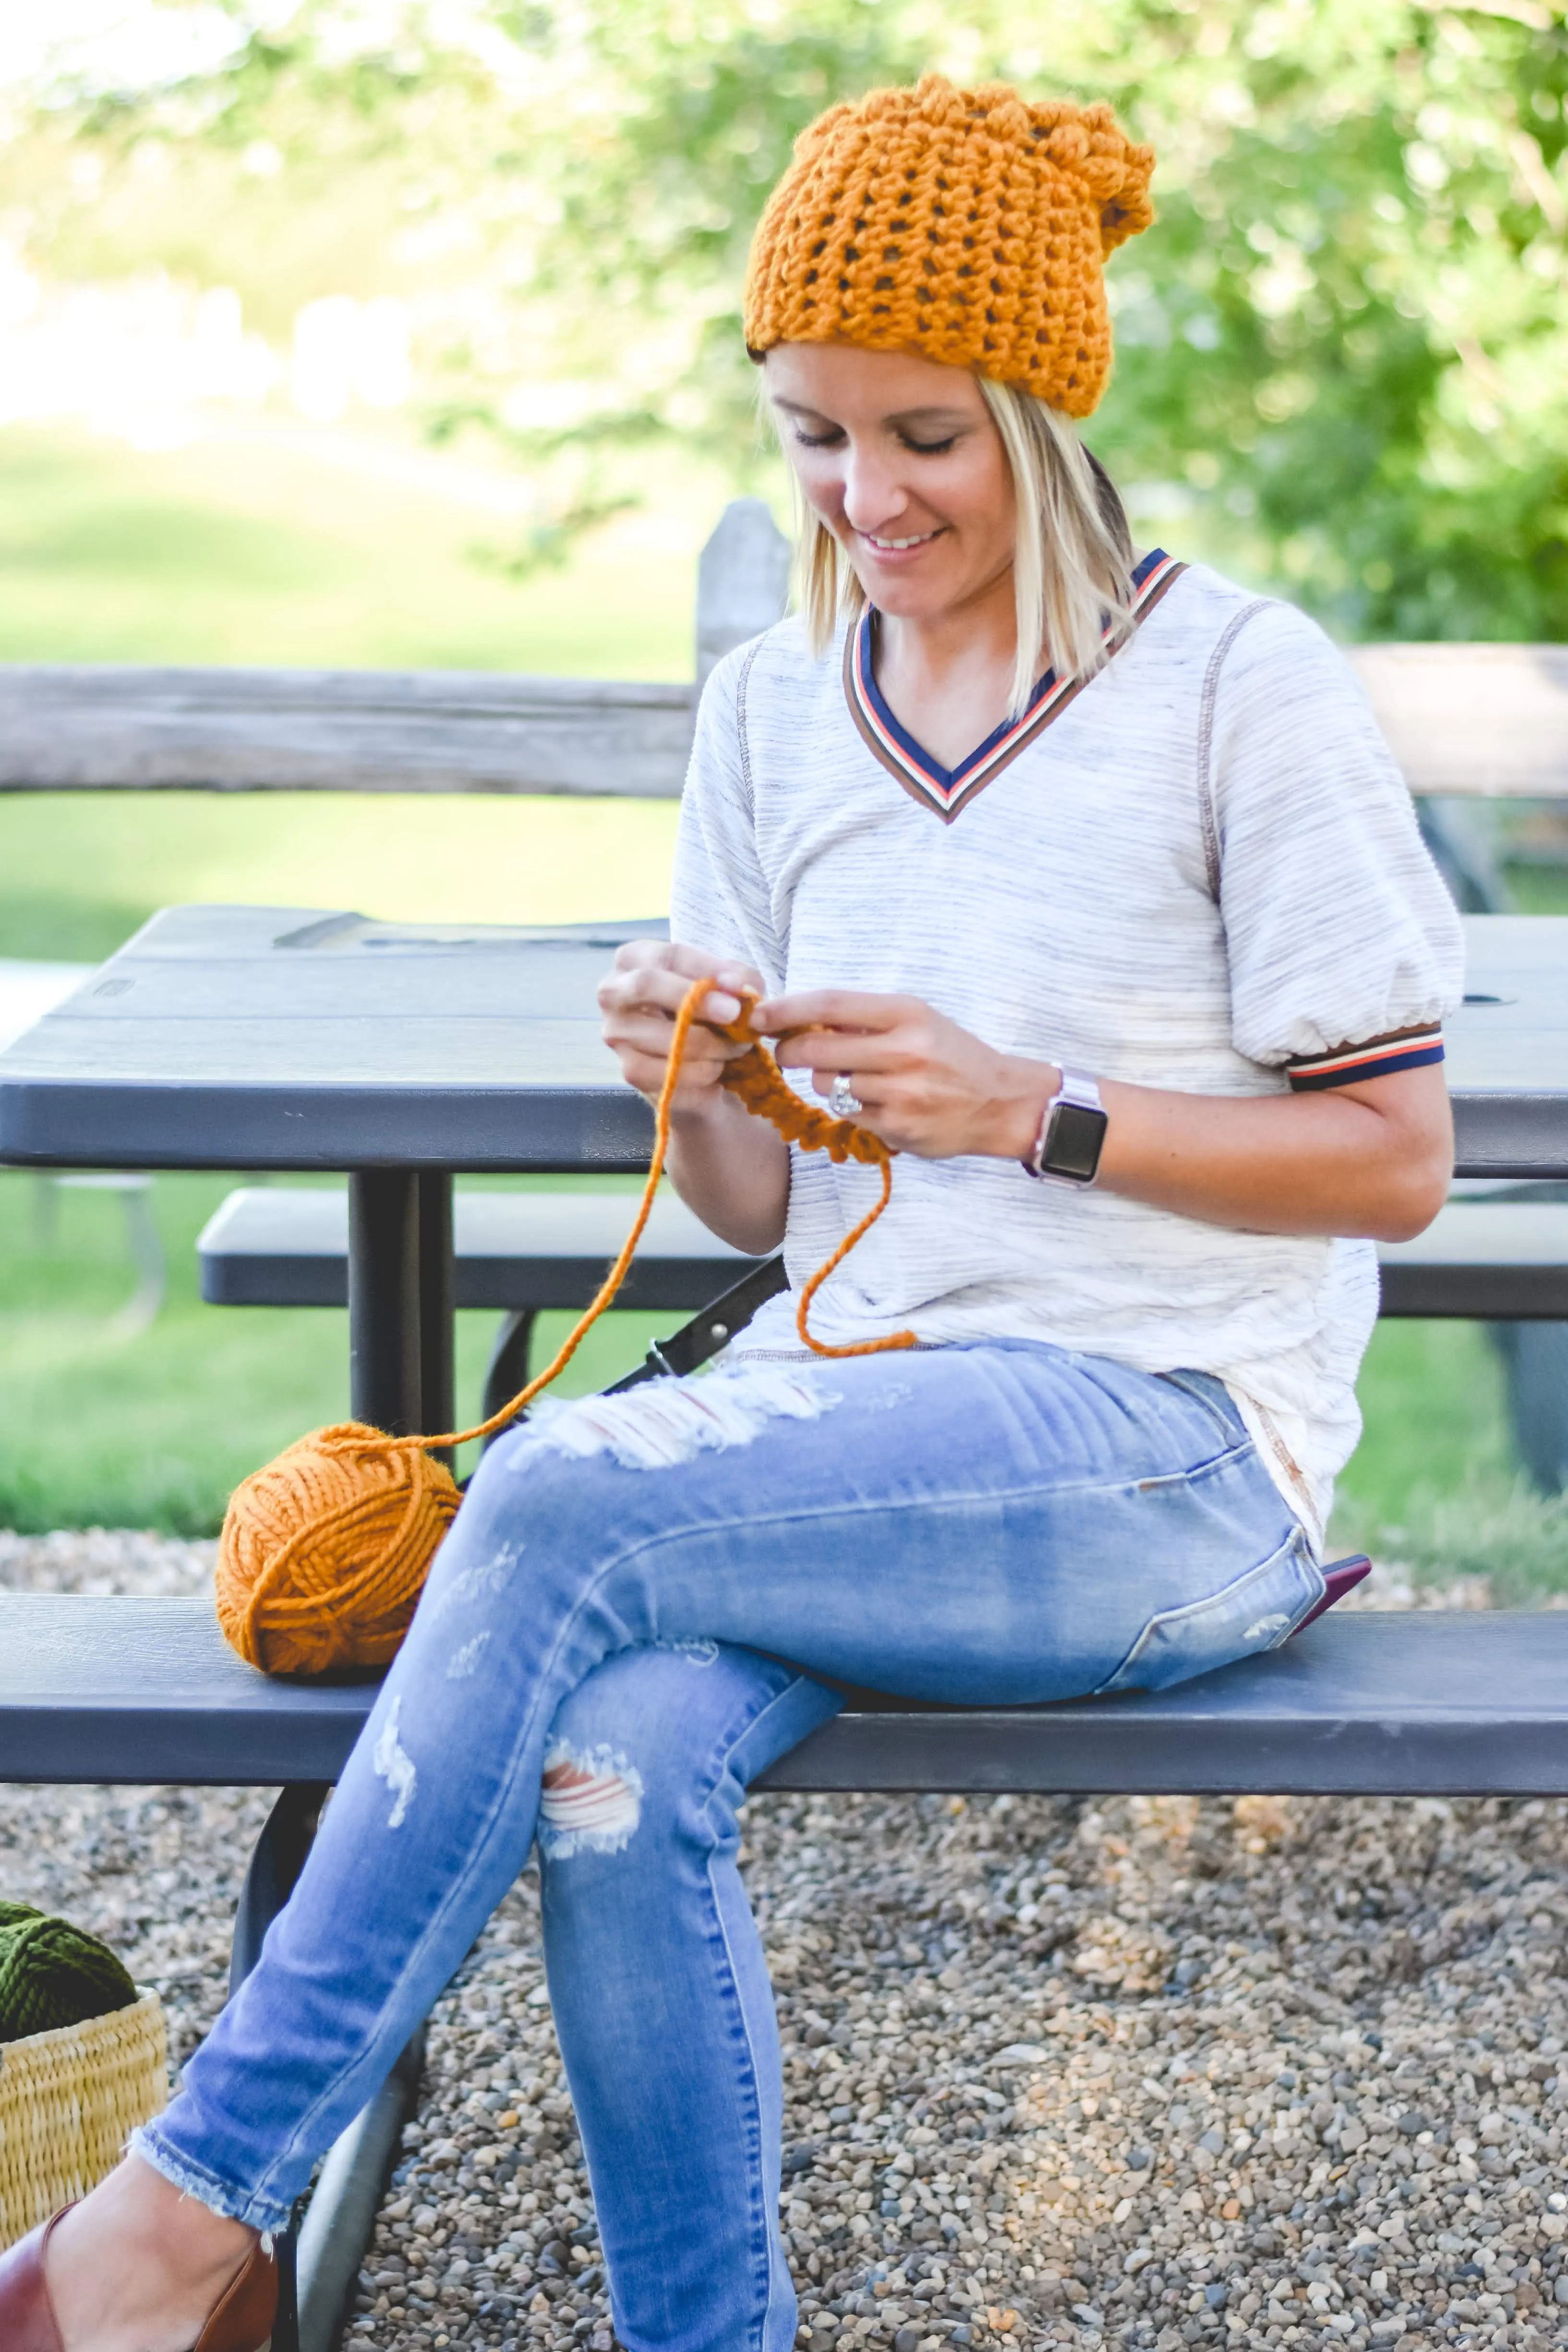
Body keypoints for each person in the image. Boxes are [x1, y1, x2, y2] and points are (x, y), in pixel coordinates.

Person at [1, 72, 1462, 2352]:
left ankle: (177, 2222)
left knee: (567, 1489)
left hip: (1172, 1453)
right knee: (613, 1763)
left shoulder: (1232, 688)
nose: (863, 498)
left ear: (1043, 418)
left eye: (922, 439)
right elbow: (758, 1206)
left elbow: (1395, 1160)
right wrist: (689, 1088)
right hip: (846, 1432)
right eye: (809, 436)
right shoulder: (777, 714)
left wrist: (1031, 1114)